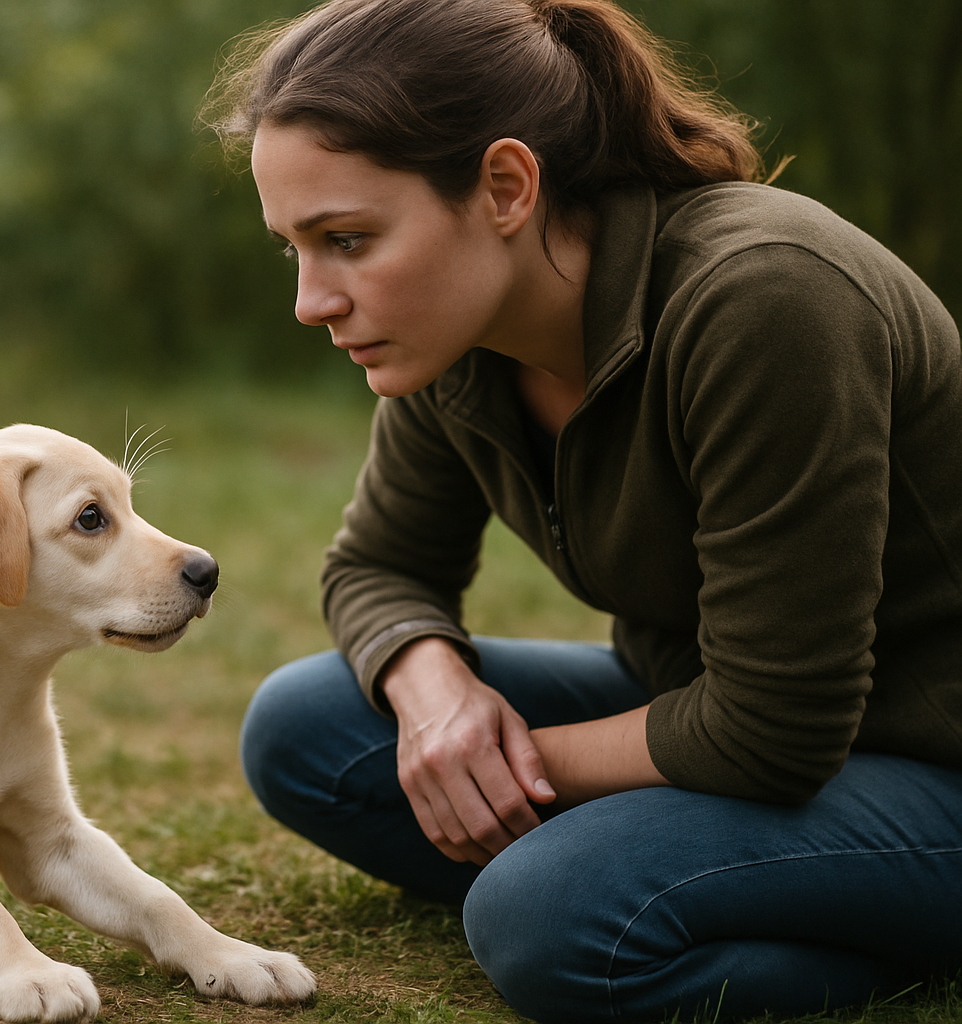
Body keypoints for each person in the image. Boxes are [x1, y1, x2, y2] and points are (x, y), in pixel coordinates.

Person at [201, 0, 962, 1021]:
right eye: (293, 247)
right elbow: (378, 570)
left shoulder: (763, 297)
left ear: (506, 187)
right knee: (305, 727)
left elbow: (775, 725)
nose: (312, 299)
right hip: (709, 717)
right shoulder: (458, 344)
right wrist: (434, 703)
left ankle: (837, 940)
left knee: (547, 912)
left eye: (347, 239)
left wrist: (496, 765)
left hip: (922, 762)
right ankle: (706, 894)